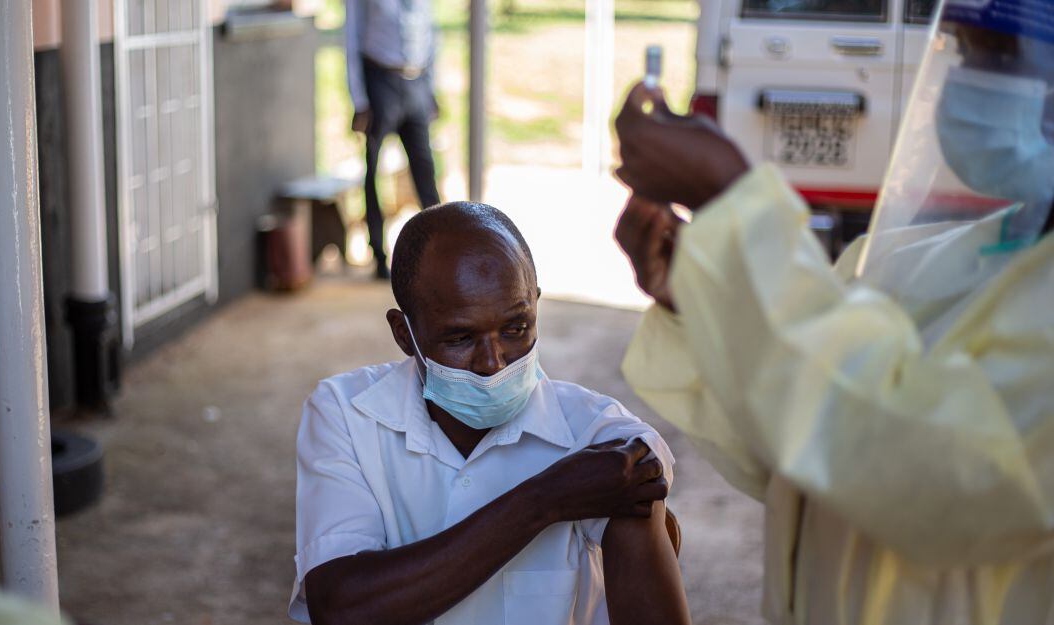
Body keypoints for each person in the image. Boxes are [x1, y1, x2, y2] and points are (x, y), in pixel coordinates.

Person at [611, 0, 1054, 623]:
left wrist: (736, 204)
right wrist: (701, 301)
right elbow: (802, 449)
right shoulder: (920, 262)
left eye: (1003, 55)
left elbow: (931, 477)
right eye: (962, 49)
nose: (968, 79)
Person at [290, 202, 692, 625]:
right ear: (404, 334)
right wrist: (546, 499)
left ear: (535, 305)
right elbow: (341, 608)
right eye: (460, 337)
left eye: (515, 329)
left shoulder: (602, 439)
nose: (492, 362)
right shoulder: (347, 413)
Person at [345, 0, 442, 279]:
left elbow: (431, 31)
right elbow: (352, 38)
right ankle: (378, 253)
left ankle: (440, 251)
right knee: (373, 170)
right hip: (380, 81)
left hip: (416, 82)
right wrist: (359, 100)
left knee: (425, 170)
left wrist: (431, 88)